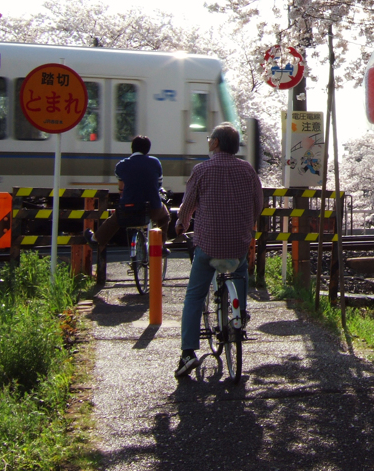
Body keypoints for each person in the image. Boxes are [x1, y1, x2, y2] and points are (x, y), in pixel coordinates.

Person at [174, 122, 263, 378]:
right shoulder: (247, 170)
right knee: (241, 270)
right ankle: (240, 316)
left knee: (194, 296)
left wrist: (181, 224)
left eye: (209, 139)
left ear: (215, 143)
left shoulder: (202, 169)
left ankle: (188, 353)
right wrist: (247, 227)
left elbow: (188, 205)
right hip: (238, 244)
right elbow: (258, 204)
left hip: (208, 246)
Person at [92, 135, 170, 253]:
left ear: (132, 148)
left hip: (129, 208)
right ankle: (160, 246)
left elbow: (121, 187)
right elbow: (158, 184)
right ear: (147, 149)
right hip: (152, 208)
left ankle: (96, 239)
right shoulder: (155, 162)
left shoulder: (121, 165)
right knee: (165, 217)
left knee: (115, 219)